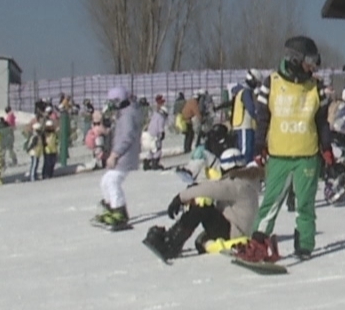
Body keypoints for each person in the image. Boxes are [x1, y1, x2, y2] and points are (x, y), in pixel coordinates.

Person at [239, 37, 330, 263]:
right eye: (309, 62)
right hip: (279, 155)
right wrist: (260, 146)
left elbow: (322, 123)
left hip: (307, 156)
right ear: (295, 59)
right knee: (271, 202)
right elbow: (262, 118)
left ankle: (305, 245)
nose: (313, 67)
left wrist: (326, 148)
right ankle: (258, 241)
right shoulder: (271, 83)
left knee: (305, 204)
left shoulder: (315, 87)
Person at [145, 149, 264, 260]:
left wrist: (181, 197)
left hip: (234, 233)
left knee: (202, 209)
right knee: (203, 202)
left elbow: (212, 188)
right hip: (237, 230)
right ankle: (176, 238)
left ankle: (171, 243)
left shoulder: (236, 185)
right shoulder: (246, 182)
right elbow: (216, 189)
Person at [96, 87, 141, 229]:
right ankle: (110, 207)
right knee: (105, 181)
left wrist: (115, 154)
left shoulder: (128, 115)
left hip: (125, 156)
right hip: (121, 155)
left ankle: (119, 211)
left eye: (112, 102)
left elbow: (127, 137)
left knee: (112, 181)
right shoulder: (124, 114)